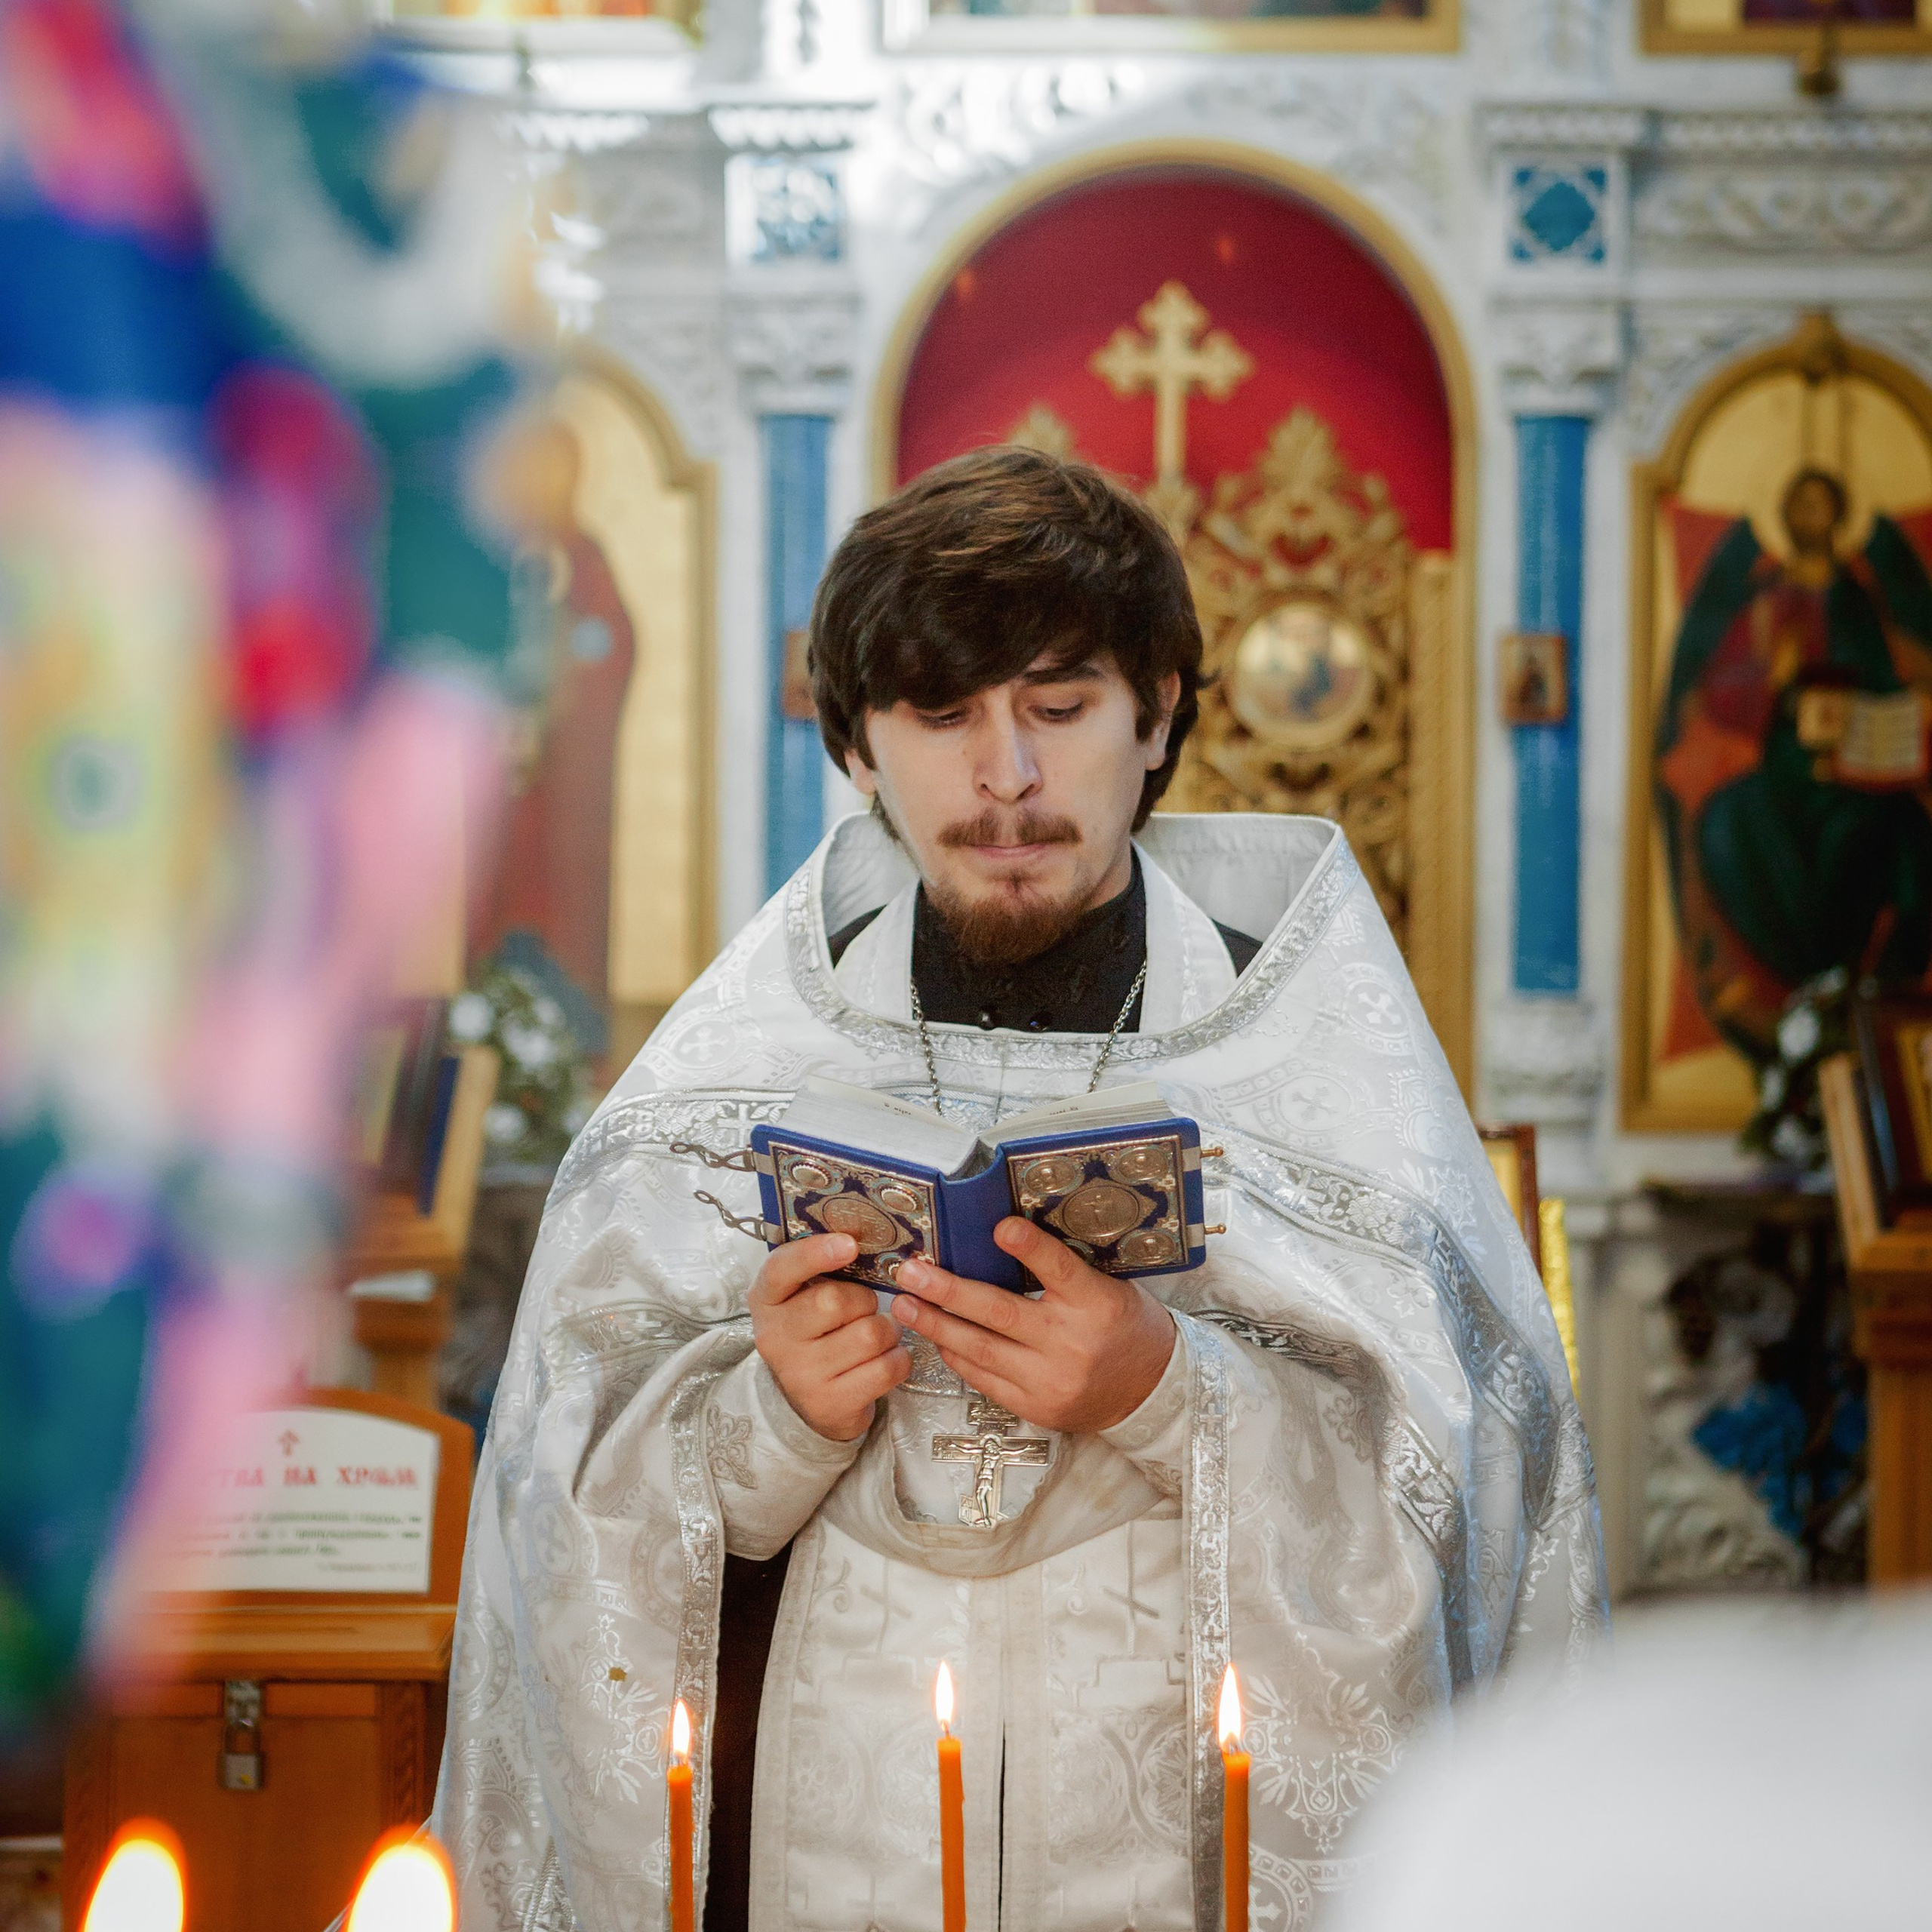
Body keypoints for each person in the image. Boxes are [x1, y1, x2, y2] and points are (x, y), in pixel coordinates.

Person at [432, 448, 1605, 1931]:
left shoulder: (1317, 1078)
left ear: (1158, 714)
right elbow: (560, 1503)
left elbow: (1474, 1501)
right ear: (856, 747)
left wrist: (1170, 1391)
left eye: (1059, 709)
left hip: (1174, 1839)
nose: (1008, 777)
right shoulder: (714, 1089)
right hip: (826, 1833)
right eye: (941, 717)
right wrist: (764, 1419)